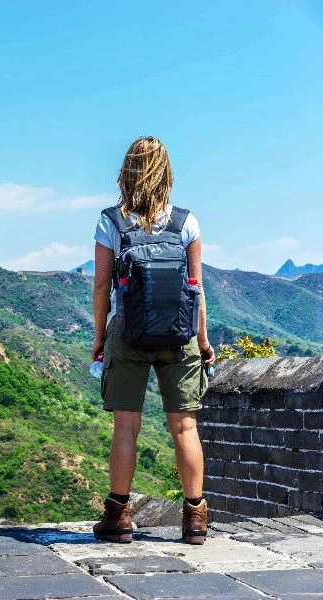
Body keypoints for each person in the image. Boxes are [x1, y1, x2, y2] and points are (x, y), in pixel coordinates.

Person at [91, 136, 215, 545]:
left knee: (126, 426)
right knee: (184, 426)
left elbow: (101, 285)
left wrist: (100, 337)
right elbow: (195, 287)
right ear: (167, 174)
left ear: (126, 173)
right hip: (180, 336)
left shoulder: (111, 221)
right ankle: (195, 519)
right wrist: (203, 339)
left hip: (127, 332)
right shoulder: (186, 222)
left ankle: (119, 516)